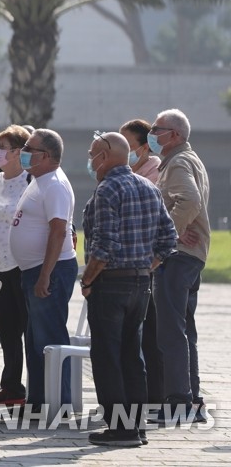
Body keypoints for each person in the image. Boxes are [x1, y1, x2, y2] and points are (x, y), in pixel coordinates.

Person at [81, 131, 177, 447]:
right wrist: (144, 268)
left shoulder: (108, 189)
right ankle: (136, 426)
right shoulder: (149, 187)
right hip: (140, 284)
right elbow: (168, 239)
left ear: (106, 156)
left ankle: (120, 429)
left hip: (111, 284)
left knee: (108, 356)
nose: (90, 159)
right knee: (132, 356)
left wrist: (89, 279)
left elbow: (103, 246)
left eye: (94, 153)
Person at [9, 128, 78, 413]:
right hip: (33, 270)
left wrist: (45, 275)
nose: (24, 152)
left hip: (49, 270)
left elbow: (59, 230)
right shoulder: (39, 179)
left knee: (50, 338)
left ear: (46, 156)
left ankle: (58, 402)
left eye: (29, 148)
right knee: (36, 339)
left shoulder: (55, 185)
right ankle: (38, 401)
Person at [149, 108, 211, 424]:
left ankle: (179, 402)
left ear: (174, 134)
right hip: (190, 255)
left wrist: (168, 234)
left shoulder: (179, 162)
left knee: (170, 331)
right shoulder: (185, 159)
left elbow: (189, 200)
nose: (152, 133)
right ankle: (191, 398)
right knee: (183, 329)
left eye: (157, 128)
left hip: (178, 256)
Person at [0, 125, 33, 408]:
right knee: (8, 329)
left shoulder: (30, 181)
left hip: (22, 264)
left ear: (18, 152)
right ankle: (11, 386)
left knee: (29, 328)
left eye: (3, 147)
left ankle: (38, 388)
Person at [120, 117, 163, 404]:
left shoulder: (152, 174)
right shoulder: (131, 173)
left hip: (146, 264)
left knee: (150, 332)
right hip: (131, 264)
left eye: (128, 146)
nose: (124, 153)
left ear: (145, 148)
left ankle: (155, 395)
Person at [121, 119, 160, 184]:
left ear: (145, 147)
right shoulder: (119, 172)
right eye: (120, 145)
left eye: (127, 146)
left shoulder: (158, 177)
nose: (121, 151)